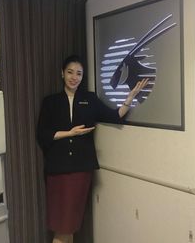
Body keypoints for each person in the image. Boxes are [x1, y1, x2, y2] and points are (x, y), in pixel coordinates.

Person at [37, 55, 148, 243]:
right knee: (62, 225)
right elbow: (43, 134)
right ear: (62, 74)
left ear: (82, 76)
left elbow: (115, 116)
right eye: (70, 72)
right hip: (58, 170)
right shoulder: (50, 101)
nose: (74, 77)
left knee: (70, 224)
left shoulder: (89, 99)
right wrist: (69, 133)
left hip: (81, 170)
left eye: (79, 73)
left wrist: (130, 97)